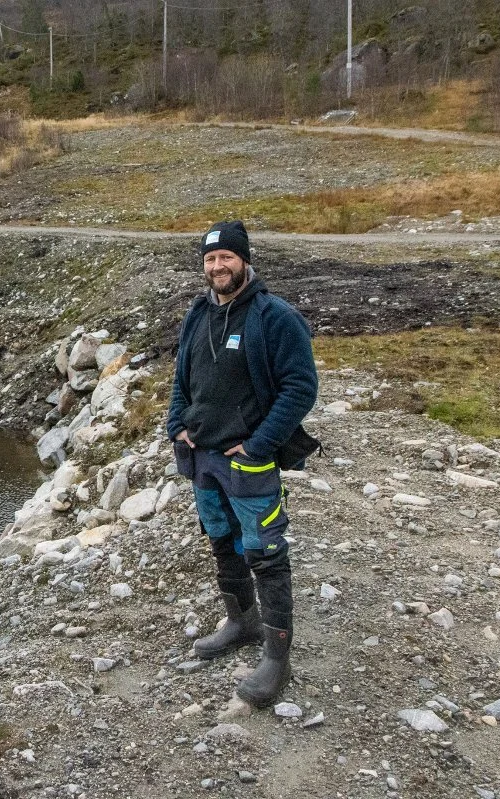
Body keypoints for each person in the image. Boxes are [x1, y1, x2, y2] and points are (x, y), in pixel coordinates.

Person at [167, 220, 318, 707]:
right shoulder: (197, 313)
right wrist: (177, 426)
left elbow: (301, 388)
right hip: (204, 458)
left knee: (265, 551)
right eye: (210, 259)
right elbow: (182, 377)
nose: (217, 267)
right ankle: (241, 621)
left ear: (244, 260)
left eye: (226, 258)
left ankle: (277, 658)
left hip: (248, 461)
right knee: (223, 541)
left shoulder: (275, 317)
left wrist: (259, 445)